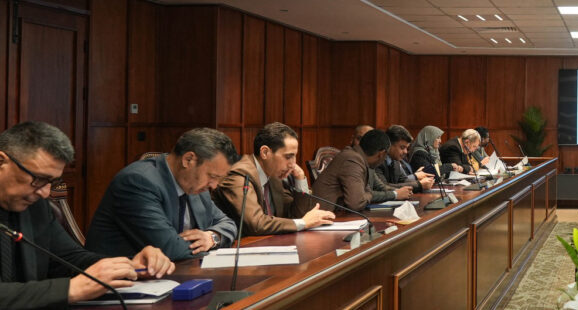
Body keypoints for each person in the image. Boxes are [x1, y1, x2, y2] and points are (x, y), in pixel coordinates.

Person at [0, 122, 174, 308]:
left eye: (52, 181)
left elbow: (69, 259)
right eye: (39, 179)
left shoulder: (36, 206)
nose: (45, 192)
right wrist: (70, 289)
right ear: (2, 161)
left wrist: (127, 267)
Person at [87, 128, 239, 261]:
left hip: (176, 274)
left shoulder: (194, 185)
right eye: (212, 176)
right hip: (124, 279)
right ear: (188, 160)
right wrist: (205, 247)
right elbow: (170, 249)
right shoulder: (138, 182)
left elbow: (228, 223)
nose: (214, 186)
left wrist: (212, 237)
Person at [212, 122, 334, 235]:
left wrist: (300, 178)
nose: (293, 164)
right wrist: (303, 223)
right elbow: (256, 224)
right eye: (288, 156)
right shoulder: (239, 176)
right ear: (265, 152)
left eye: (294, 156)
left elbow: (296, 216)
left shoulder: (273, 176)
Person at [312, 129, 409, 211]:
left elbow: (366, 193)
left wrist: (366, 194)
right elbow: (356, 203)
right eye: (386, 155)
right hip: (319, 218)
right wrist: (368, 194)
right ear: (381, 154)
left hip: (334, 214)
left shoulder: (358, 158)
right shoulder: (353, 160)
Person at [376, 126, 433, 192]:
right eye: (402, 147)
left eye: (407, 148)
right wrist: (419, 185)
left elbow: (403, 180)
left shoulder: (395, 161)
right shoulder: (377, 161)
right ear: (389, 145)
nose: (405, 152)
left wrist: (423, 182)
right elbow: (384, 186)